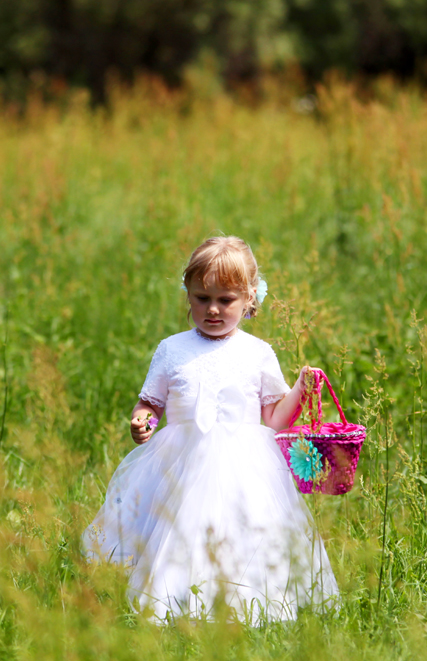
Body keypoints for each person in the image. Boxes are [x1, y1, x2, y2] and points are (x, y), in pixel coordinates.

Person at [83, 236, 339, 625]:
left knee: (246, 530)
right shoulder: (172, 349)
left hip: (245, 464)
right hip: (181, 459)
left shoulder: (258, 353)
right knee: (179, 526)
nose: (213, 309)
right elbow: (152, 401)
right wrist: (144, 421)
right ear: (187, 293)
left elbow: (272, 419)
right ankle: (173, 598)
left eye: (226, 300)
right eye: (202, 298)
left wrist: (302, 390)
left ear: (249, 299)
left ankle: (250, 602)